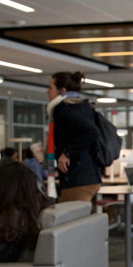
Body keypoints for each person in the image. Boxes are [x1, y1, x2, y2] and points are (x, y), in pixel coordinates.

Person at [46, 71, 102, 203]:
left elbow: (92, 131)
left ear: (62, 90)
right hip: (87, 175)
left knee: (71, 220)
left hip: (79, 177)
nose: (47, 91)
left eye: (50, 87)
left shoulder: (64, 110)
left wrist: (66, 153)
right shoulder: (80, 107)